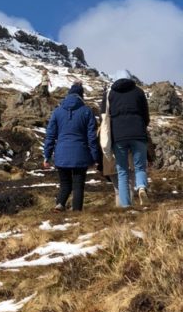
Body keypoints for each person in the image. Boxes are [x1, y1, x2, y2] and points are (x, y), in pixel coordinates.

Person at [43, 82, 100, 212]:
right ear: (81, 96)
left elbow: (50, 136)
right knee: (78, 185)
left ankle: (60, 204)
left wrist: (47, 156)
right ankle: (76, 212)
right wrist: (95, 157)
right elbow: (92, 137)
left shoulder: (57, 112)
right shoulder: (87, 111)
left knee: (65, 183)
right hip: (81, 153)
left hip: (61, 154)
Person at [103, 69, 151, 207]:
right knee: (139, 167)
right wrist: (142, 125)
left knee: (122, 171)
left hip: (119, 136)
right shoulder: (139, 91)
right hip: (138, 133)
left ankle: (125, 205)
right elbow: (145, 115)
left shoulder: (110, 93)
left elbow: (106, 116)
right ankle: (141, 187)